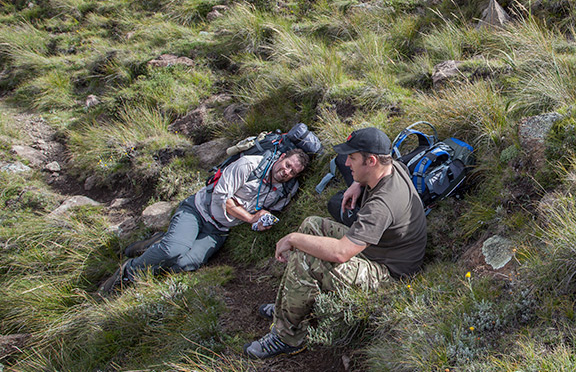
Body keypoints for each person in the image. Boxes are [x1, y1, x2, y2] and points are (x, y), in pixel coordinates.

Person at [244, 127, 427, 359]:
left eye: (352, 158)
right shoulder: (391, 166)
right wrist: (358, 184)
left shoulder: (382, 205)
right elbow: (382, 172)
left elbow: (341, 253)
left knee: (307, 256)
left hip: (387, 274)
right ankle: (290, 305)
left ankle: (288, 337)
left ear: (371, 161)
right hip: (380, 250)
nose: (347, 164)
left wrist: (292, 238)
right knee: (312, 224)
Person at [100, 148, 310, 293]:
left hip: (218, 230)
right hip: (198, 211)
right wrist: (249, 218)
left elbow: (267, 210)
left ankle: (155, 248)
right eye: (287, 164)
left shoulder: (284, 191)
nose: (286, 172)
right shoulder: (249, 165)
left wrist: (263, 218)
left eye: (293, 172)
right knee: (173, 249)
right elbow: (221, 197)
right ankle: (129, 272)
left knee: (184, 263)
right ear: (281, 157)